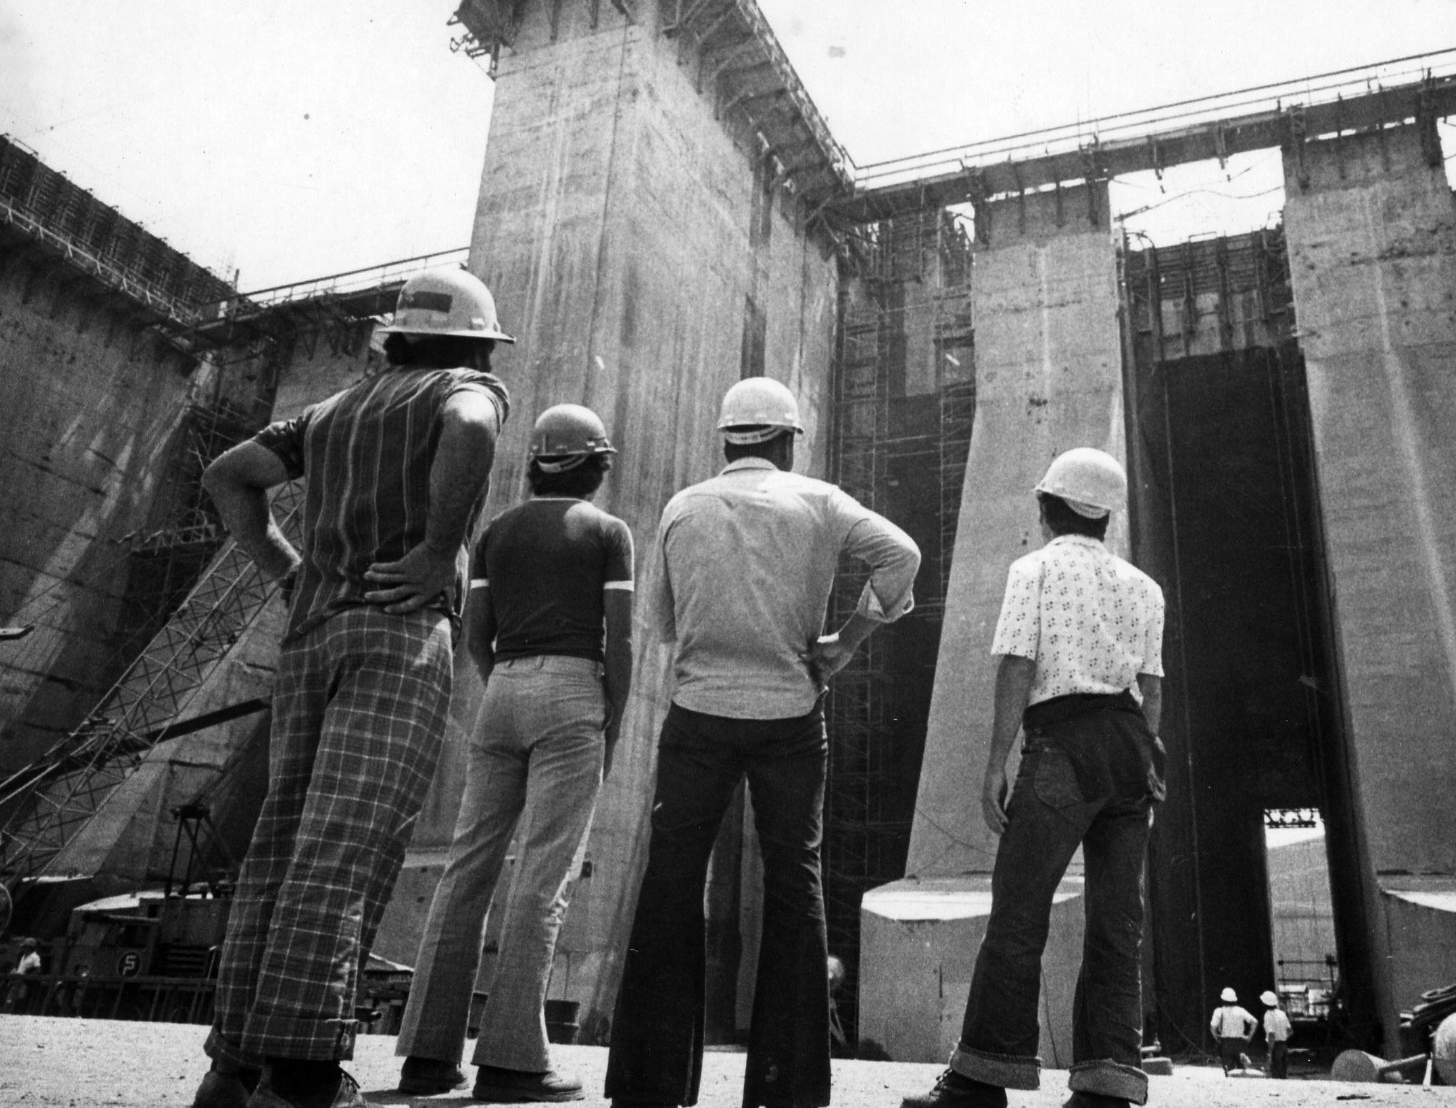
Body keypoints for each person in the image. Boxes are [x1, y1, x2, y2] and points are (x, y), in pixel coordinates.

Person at [193, 267, 512, 1108]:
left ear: (394, 334)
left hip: (310, 636)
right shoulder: (463, 386)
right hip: (395, 632)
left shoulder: (332, 410)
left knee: (282, 839)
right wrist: (440, 548)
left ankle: (235, 1065)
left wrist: (290, 573)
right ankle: (300, 1075)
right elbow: (473, 423)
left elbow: (230, 473)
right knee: (349, 840)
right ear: (477, 342)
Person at [604, 376, 920, 1108]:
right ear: (785, 440)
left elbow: (662, 622)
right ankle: (789, 1085)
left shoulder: (682, 506)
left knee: (671, 880)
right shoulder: (822, 501)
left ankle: (651, 1083)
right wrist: (846, 640)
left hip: (698, 714)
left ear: (726, 440)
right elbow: (900, 554)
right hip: (789, 716)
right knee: (794, 881)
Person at [901, 448, 1166, 1108]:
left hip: (1062, 745)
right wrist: (1146, 762)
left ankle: (981, 1078)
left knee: (1019, 912)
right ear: (1104, 514)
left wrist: (997, 761)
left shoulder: (1036, 569)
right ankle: (1107, 1083)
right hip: (1130, 748)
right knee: (1117, 921)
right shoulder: (1143, 586)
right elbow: (1152, 688)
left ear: (1047, 508)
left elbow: (1017, 664)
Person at [395, 404, 634, 1104]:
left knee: (467, 867)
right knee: (541, 876)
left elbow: (475, 630)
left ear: (533, 462)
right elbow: (617, 640)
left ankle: (427, 1058)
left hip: (501, 688)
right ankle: (512, 1062)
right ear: (597, 465)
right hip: (572, 691)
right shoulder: (608, 533)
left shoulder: (496, 530)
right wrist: (609, 713)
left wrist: (502, 677)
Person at [1209, 988, 1257, 1076]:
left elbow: (1213, 1028)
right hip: (1240, 1043)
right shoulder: (1240, 1010)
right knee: (1242, 1070)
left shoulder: (1219, 1011)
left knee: (1229, 1070)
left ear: (1223, 999)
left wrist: (1217, 1038)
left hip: (1226, 1043)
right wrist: (1249, 1037)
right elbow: (1254, 1022)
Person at [1260, 990, 1291, 1079]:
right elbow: (1290, 1031)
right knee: (1283, 1075)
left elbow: (1271, 1035)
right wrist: (1282, 1038)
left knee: (1276, 1075)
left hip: (1275, 1048)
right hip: (1284, 1046)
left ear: (1264, 1003)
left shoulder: (1268, 1015)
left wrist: (1269, 1053)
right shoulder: (1282, 1013)